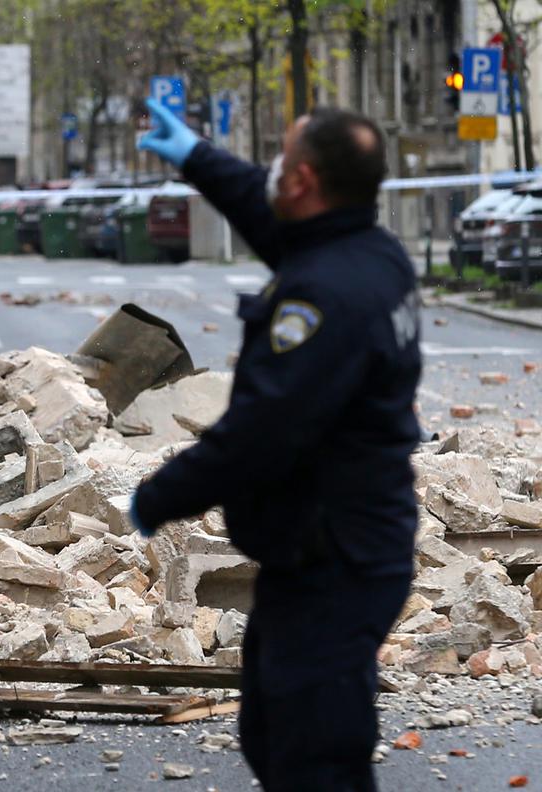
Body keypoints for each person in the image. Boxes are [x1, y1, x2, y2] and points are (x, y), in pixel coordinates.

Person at [131, 100, 421, 791]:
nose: (268, 174)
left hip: (338, 561)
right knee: (271, 728)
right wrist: (198, 157)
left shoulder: (323, 298)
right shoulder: (368, 254)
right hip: (330, 549)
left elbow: (261, 434)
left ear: (302, 181)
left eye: (280, 161)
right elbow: (274, 223)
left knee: (317, 760)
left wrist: (158, 496)